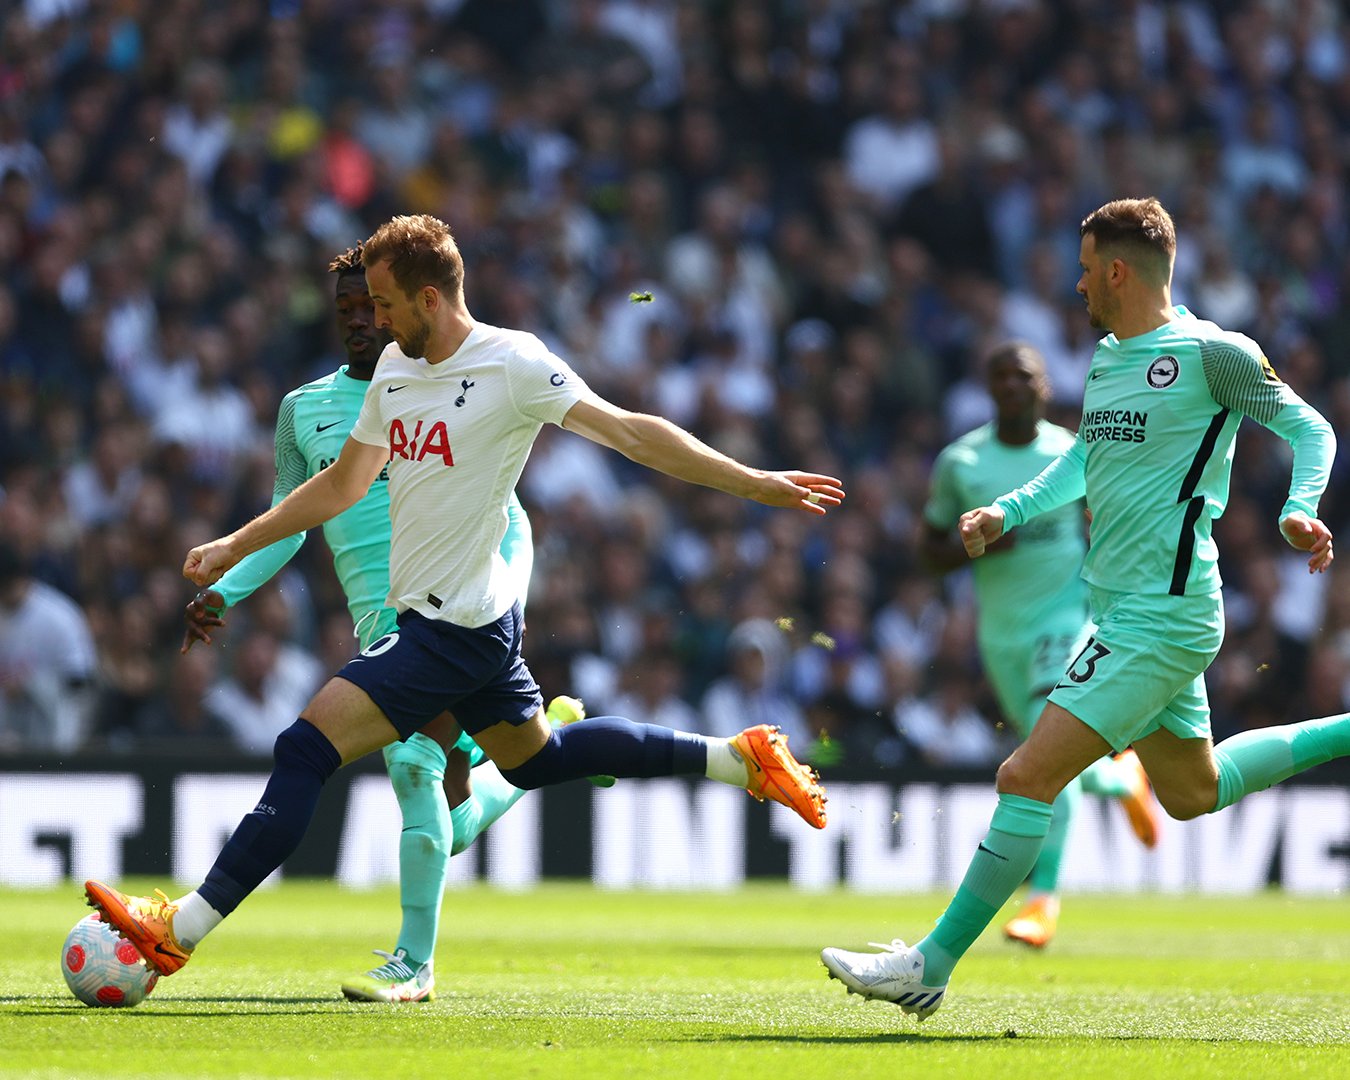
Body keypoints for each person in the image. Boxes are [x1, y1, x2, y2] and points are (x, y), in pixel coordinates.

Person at [86, 213, 840, 981]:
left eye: (384, 303)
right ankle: (738, 758)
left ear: (430, 299)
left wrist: (751, 481)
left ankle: (182, 927)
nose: (374, 319)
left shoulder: (513, 364)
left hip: (452, 628)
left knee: (306, 748)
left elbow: (631, 433)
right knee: (536, 760)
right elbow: (342, 484)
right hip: (466, 625)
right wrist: (234, 546)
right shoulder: (396, 371)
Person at [822, 196, 1347, 1020]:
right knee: (1192, 791)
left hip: (1163, 615)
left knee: (1025, 774)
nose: (1076, 285)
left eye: (1084, 267)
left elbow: (1312, 428)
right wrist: (1010, 510)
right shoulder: (1106, 358)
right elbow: (1083, 465)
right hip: (1129, 611)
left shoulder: (1213, 353)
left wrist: (1298, 506)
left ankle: (930, 964)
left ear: (1116, 271)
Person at [178, 244, 571, 1002]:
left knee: (413, 769)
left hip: (461, 608)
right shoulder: (306, 410)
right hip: (381, 622)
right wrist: (226, 588)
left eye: (372, 306)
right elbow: (290, 524)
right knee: (445, 816)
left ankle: (412, 965)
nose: (362, 321)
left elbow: (511, 516)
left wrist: (490, 606)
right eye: (347, 311)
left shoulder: (451, 383)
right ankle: (533, 759)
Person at [919, 341, 1163, 949]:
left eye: (1022, 375)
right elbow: (926, 552)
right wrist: (970, 548)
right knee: (1047, 755)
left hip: (1066, 622)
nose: (1010, 385)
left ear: (1044, 386)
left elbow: (1112, 521)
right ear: (986, 388)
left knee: (1042, 757)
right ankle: (1120, 779)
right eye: (998, 376)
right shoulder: (961, 462)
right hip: (1001, 636)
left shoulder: (1068, 452)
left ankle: (1042, 898)